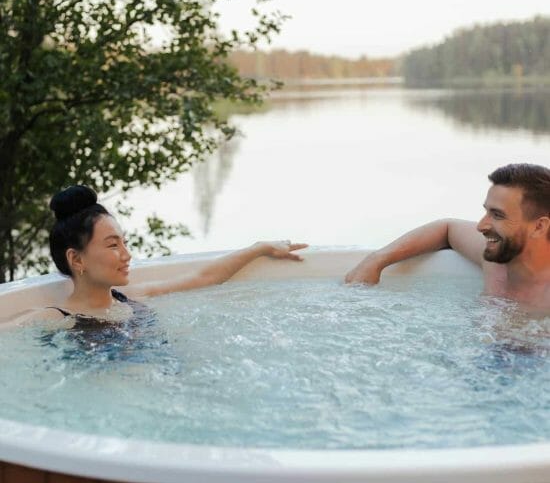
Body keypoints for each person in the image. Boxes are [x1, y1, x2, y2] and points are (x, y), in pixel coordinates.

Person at [2, 185, 307, 328]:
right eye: (112, 245)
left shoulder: (129, 296)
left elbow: (204, 278)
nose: (126, 254)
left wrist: (259, 248)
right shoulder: (53, 318)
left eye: (124, 242)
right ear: (76, 259)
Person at [345, 163, 550, 310]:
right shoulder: (497, 259)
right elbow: (447, 228)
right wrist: (376, 260)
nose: (481, 225)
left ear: (539, 226)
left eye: (497, 215)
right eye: (486, 211)